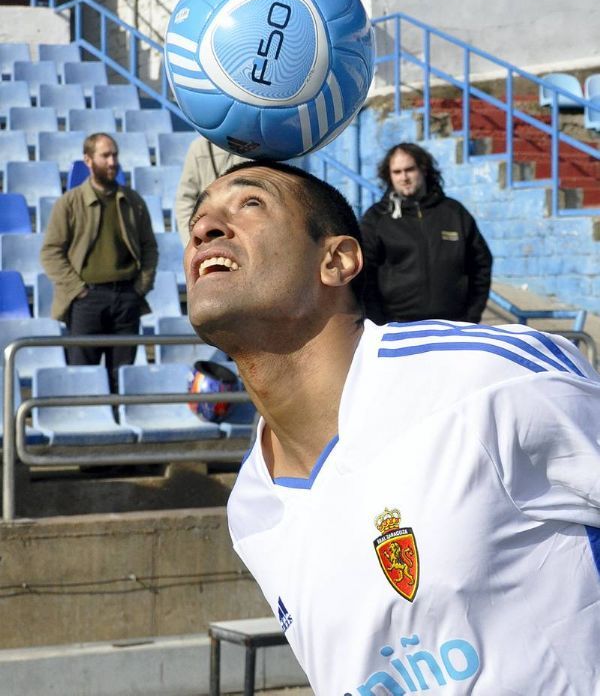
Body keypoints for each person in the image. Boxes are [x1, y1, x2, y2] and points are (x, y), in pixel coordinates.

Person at [183, 159, 600, 696]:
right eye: (200, 218)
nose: (205, 228)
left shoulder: (488, 381)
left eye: (250, 204)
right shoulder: (251, 505)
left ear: (336, 260)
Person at [41, 133, 158, 392]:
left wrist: (141, 287)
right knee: (84, 378)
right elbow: (50, 252)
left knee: (121, 377)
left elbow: (150, 247)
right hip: (86, 302)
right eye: (105, 155)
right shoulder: (69, 203)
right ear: (88, 160)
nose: (112, 161)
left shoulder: (133, 201)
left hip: (127, 298)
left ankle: (118, 425)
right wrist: (78, 290)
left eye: (114, 154)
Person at [360, 142, 493, 325]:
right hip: (398, 328)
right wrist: (379, 322)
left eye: (409, 170)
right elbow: (364, 274)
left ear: (424, 170)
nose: (404, 177)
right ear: (389, 176)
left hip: (453, 327)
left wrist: (471, 316)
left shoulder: (454, 212)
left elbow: (481, 264)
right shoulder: (377, 217)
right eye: (397, 172)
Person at [174, 136, 236, 245]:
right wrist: (193, 241)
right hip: (209, 236)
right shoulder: (199, 148)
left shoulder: (260, 144)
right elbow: (184, 201)